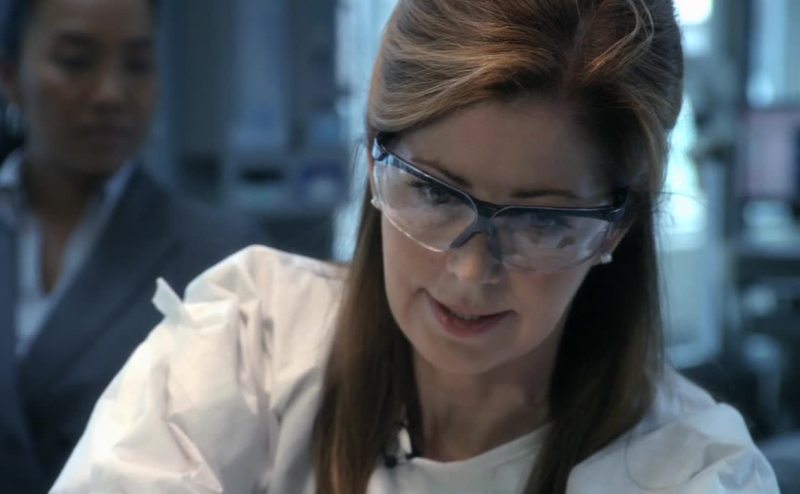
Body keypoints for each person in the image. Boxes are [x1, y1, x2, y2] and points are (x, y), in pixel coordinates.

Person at [52, 0, 778, 492]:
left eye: (540, 221)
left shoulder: (691, 472)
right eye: (435, 193)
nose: (470, 269)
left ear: (617, 227)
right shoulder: (249, 345)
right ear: (375, 158)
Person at [0, 0, 267, 492]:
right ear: (11, 75)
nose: (111, 92)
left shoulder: (223, 258)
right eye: (76, 61)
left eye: (138, 65)